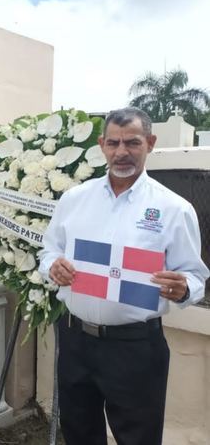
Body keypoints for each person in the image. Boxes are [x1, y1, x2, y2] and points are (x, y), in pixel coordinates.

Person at [39, 107, 209, 445]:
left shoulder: (174, 208)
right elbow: (48, 252)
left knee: (139, 438)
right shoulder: (74, 199)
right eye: (113, 143)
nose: (121, 152)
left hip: (136, 349)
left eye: (132, 142)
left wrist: (183, 288)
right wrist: (52, 267)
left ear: (150, 143)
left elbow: (194, 276)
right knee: (78, 433)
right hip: (75, 341)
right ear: (102, 144)